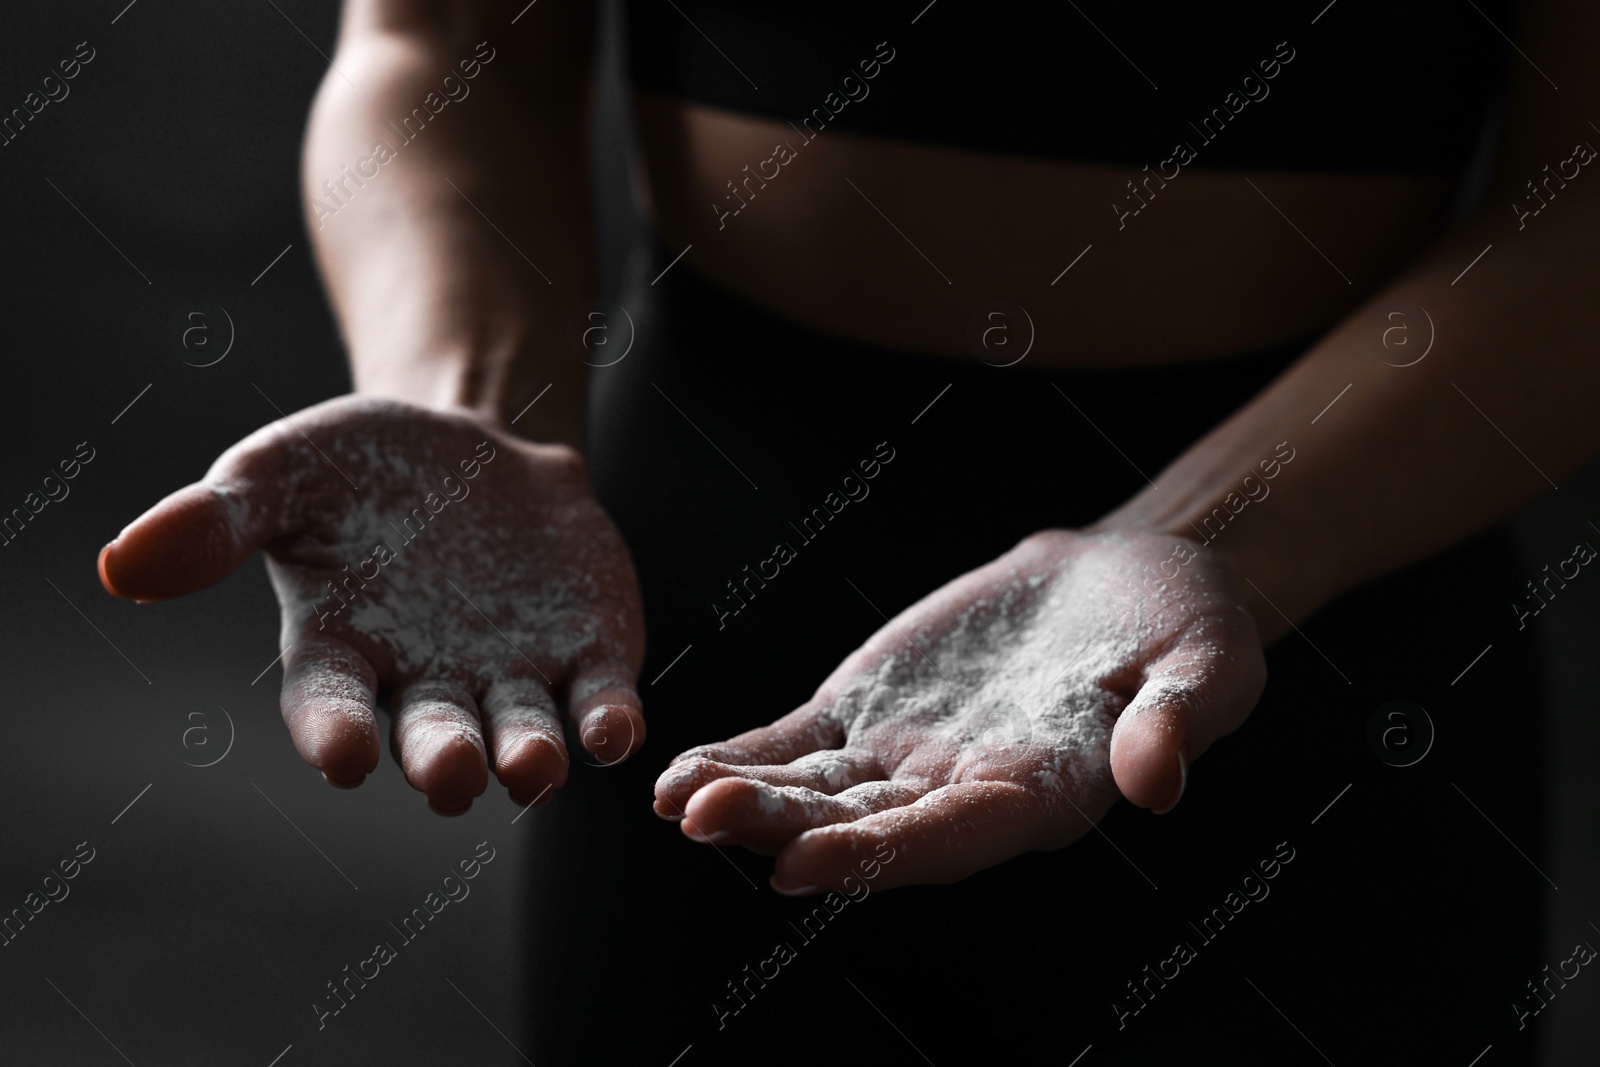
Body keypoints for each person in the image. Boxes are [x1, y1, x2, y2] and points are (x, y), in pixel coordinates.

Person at [97, 0, 1596, 1061]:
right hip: (706, 601)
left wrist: (1228, 538)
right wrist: (468, 413)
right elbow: (441, 53)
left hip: (1322, 593)